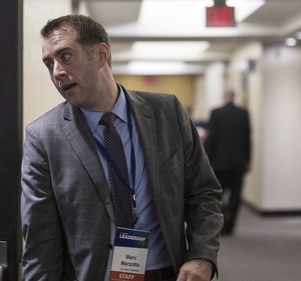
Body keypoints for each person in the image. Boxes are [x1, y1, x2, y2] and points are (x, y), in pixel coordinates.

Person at [21, 14, 223, 281]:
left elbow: (204, 193)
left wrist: (201, 255)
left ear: (101, 54)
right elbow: (40, 239)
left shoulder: (167, 112)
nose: (57, 71)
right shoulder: (43, 136)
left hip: (167, 273)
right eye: (49, 63)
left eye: (65, 56)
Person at [204, 90, 251, 235]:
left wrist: (207, 159)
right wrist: (248, 160)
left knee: (218, 195)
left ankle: (220, 223)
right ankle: (231, 226)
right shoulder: (243, 113)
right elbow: (247, 138)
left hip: (220, 162)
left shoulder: (216, 113)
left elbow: (212, 138)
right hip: (238, 162)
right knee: (235, 196)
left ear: (224, 97)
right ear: (234, 97)